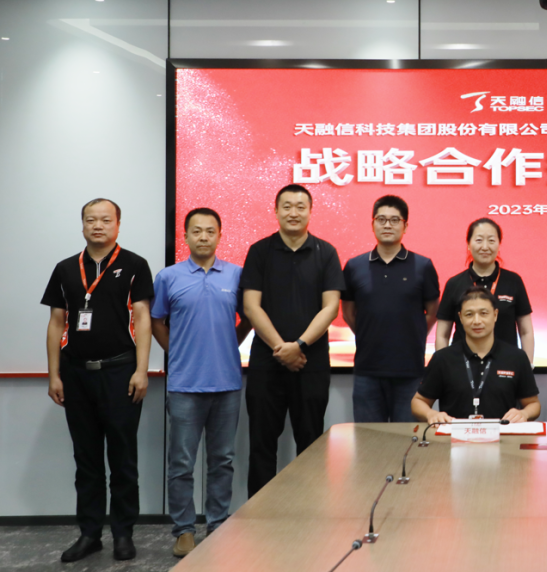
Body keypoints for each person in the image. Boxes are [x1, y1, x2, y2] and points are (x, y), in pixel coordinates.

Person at [41, 198, 153, 562]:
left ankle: (123, 533)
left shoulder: (135, 265)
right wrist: (54, 374)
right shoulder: (65, 269)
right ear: (83, 225)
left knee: (122, 459)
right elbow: (56, 323)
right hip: (76, 374)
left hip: (120, 372)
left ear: (118, 224)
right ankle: (90, 533)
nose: (98, 226)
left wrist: (141, 370)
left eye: (105, 220)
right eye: (91, 220)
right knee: (86, 459)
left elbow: (143, 319)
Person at [150, 208, 251, 557]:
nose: (203, 236)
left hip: (227, 383)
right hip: (184, 385)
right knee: (181, 464)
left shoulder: (236, 275)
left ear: (220, 235)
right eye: (196, 231)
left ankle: (218, 525)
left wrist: (229, 343)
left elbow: (249, 317)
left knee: (222, 461)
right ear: (186, 236)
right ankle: (184, 530)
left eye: (210, 231)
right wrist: (176, 349)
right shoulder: (168, 277)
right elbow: (157, 321)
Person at [240, 184, 345, 497]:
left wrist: (298, 346)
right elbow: (251, 307)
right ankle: (259, 516)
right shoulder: (259, 251)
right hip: (266, 363)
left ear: (310, 211)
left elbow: (331, 307)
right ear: (276, 211)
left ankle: (308, 514)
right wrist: (281, 348)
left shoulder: (326, 252)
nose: (293, 212)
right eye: (287, 206)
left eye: (300, 206)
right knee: (261, 444)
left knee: (311, 443)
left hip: (310, 363)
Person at [344, 195, 440, 423]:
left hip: (409, 371)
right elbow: (348, 313)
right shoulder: (354, 266)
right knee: (368, 439)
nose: (387, 225)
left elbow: (433, 312)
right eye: (381, 219)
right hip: (367, 371)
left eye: (395, 220)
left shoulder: (423, 266)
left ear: (405, 226)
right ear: (373, 224)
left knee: (408, 440)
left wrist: (412, 334)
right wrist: (370, 333)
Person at [412, 287, 540, 423]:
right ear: (460, 317)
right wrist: (430, 414)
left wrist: (524, 413)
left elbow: (533, 404)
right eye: (469, 314)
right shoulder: (443, 358)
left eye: (484, 313)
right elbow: (418, 401)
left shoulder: (516, 357)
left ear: (495, 315)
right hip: (454, 434)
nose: (477, 321)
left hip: (502, 434)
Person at [436, 218, 535, 361]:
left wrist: (527, 366)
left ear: (499, 245)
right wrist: (442, 367)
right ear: (468, 244)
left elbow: (526, 332)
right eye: (479, 240)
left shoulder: (513, 281)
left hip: (506, 365)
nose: (485, 247)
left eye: (491, 240)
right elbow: (442, 335)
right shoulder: (454, 283)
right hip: (462, 365)